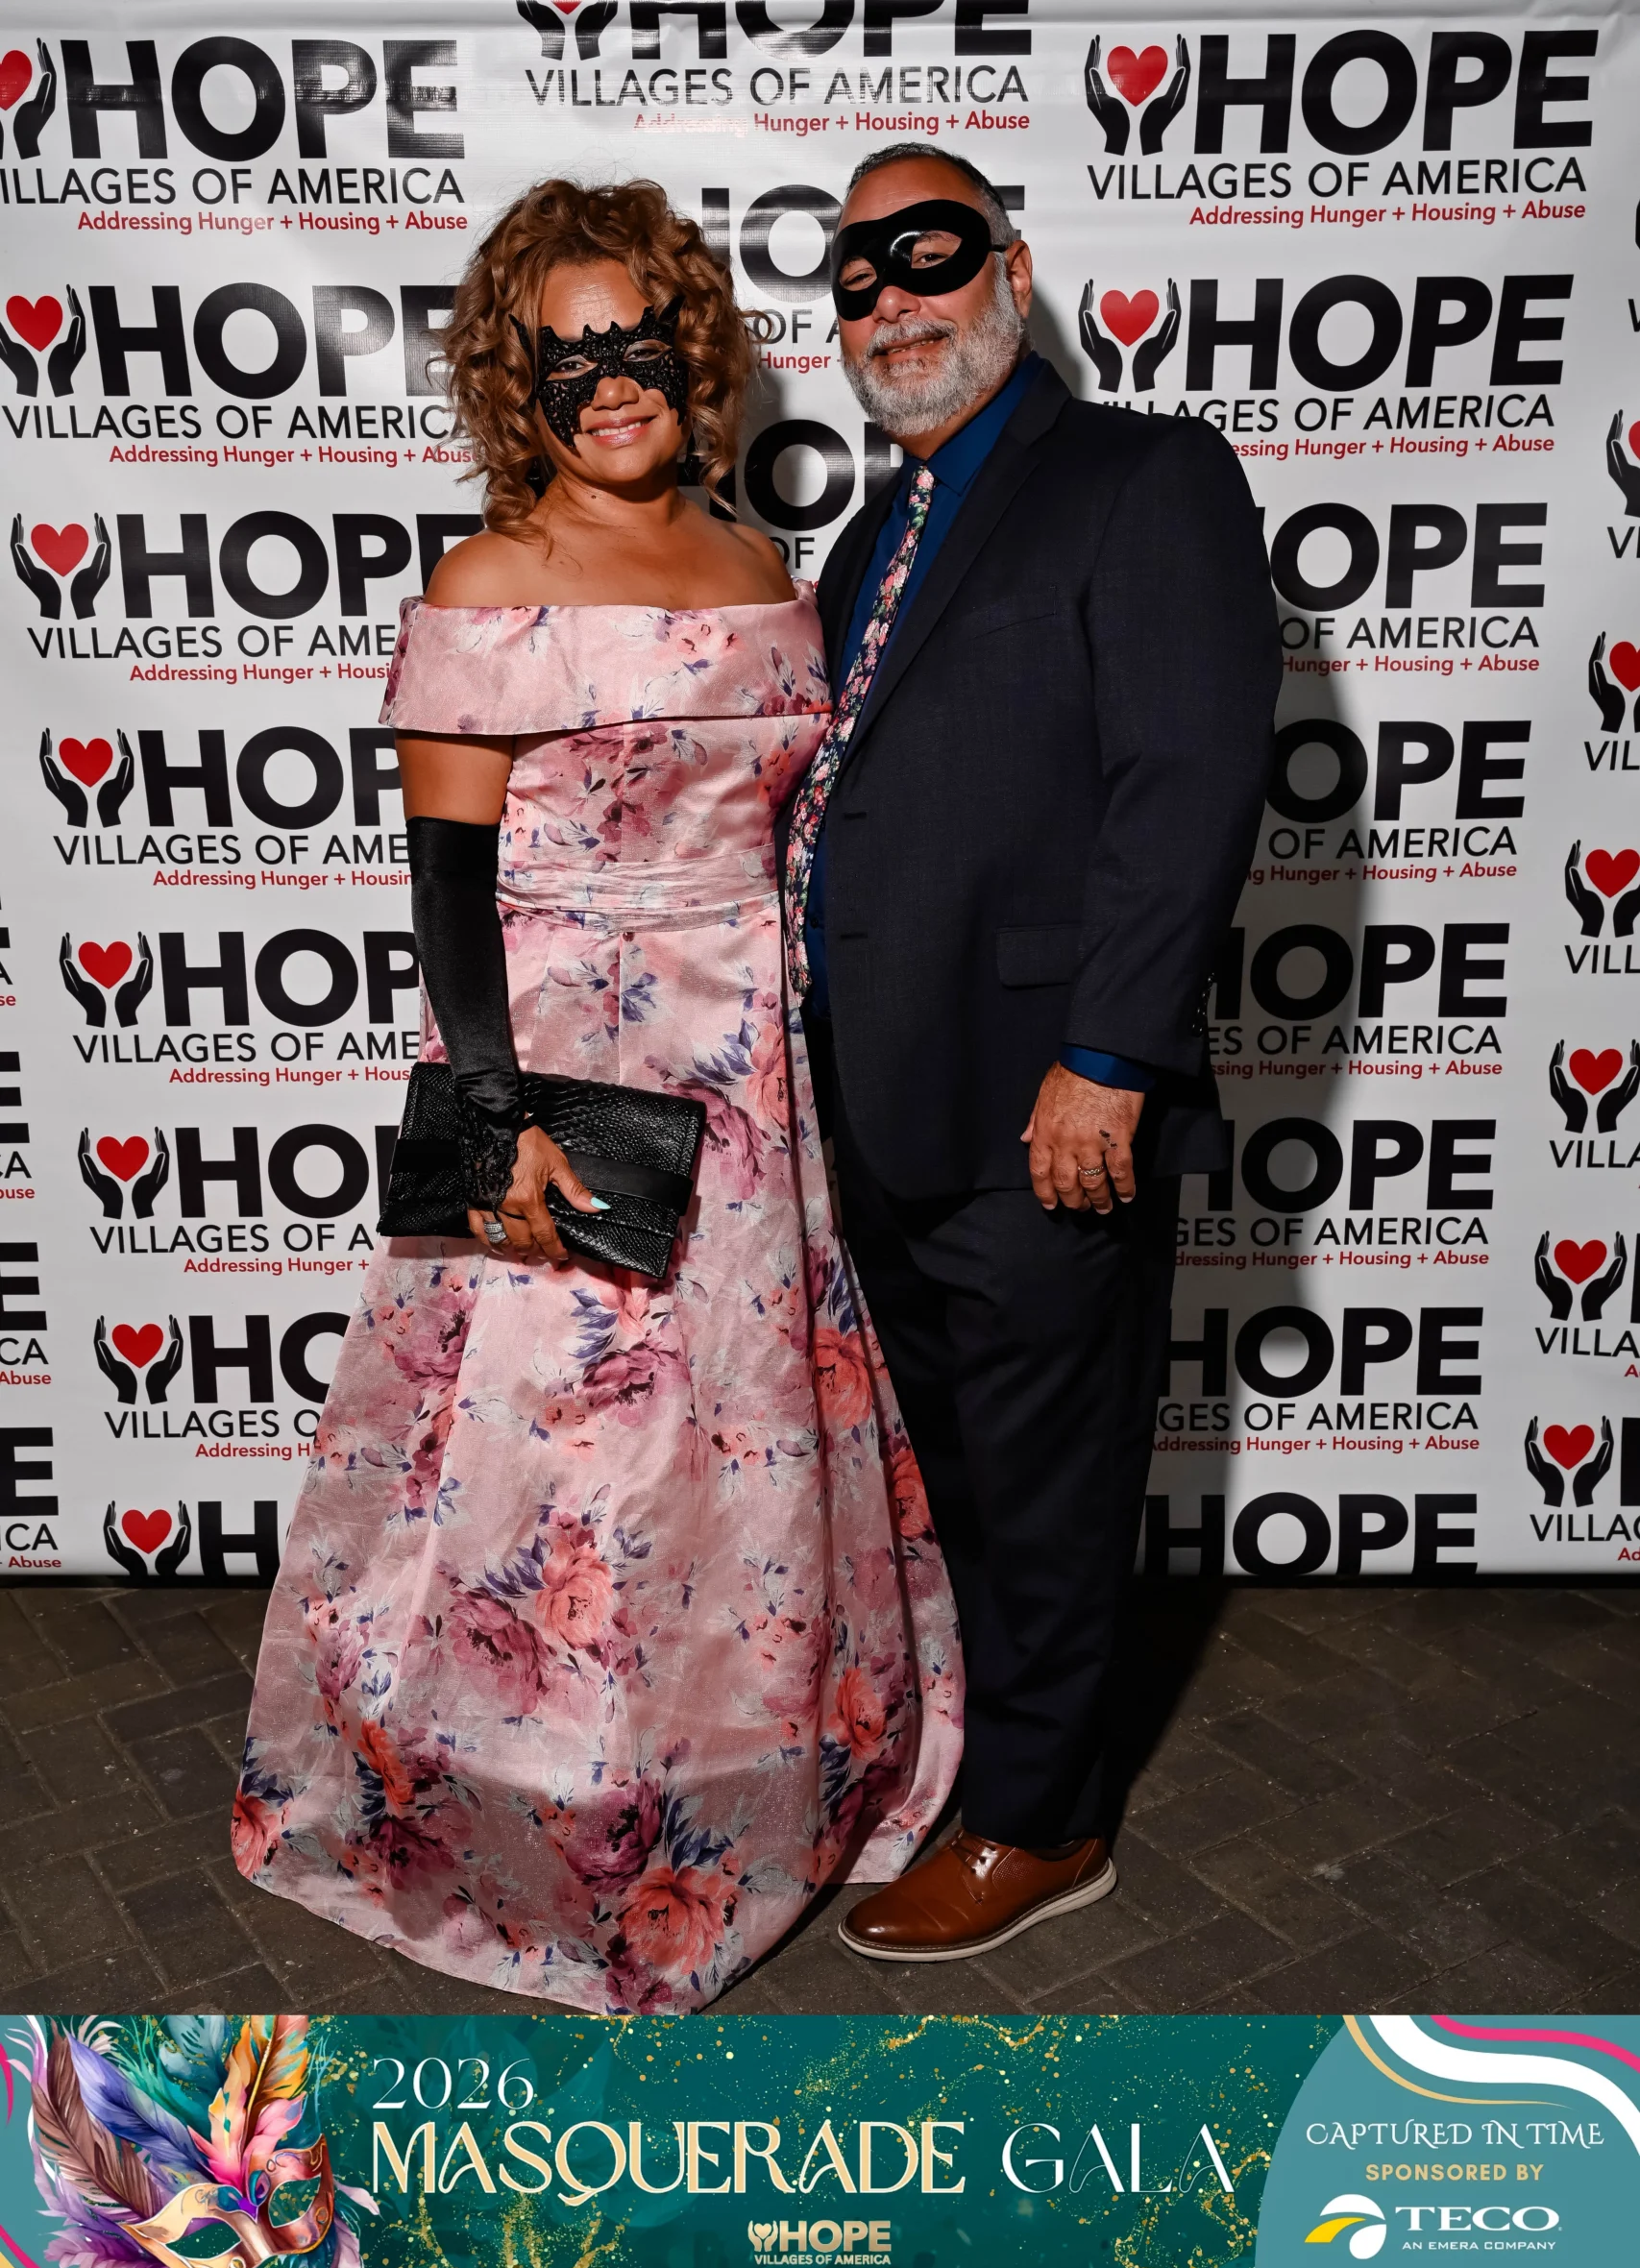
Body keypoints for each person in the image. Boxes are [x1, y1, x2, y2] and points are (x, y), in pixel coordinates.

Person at [232, 178, 961, 2014]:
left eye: (637, 339)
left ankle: (728, 1792)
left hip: (753, 1068)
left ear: (691, 350)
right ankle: (532, 1829)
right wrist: (499, 1119)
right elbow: (446, 892)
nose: (610, 380)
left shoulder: (759, 563)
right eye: (566, 356)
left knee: (735, 1446)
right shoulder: (491, 582)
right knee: (554, 1456)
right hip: (566, 1061)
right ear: (516, 382)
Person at [788, 144, 1280, 1962]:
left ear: (1009, 267)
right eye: (856, 277)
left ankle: (1043, 1823)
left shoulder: (1142, 475)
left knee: (1052, 1480)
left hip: (1045, 1100)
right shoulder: (871, 539)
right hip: (886, 1094)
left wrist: (1112, 1055)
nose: (890, 301)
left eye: (928, 255)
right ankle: (998, 1762)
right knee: (971, 1478)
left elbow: (1186, 779)